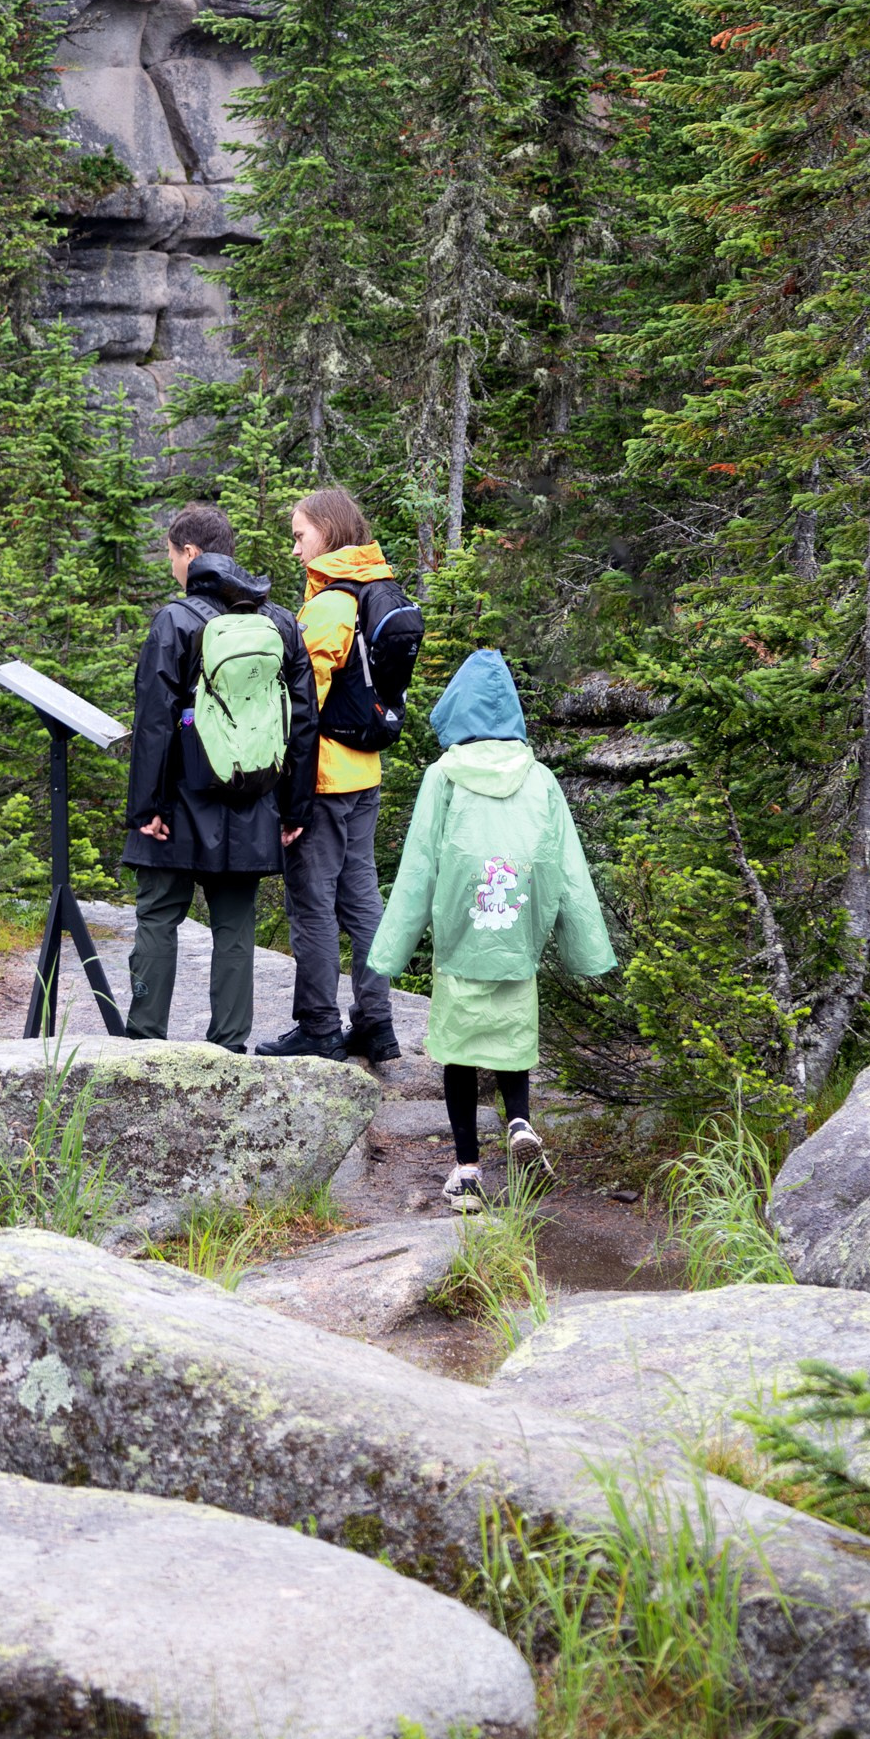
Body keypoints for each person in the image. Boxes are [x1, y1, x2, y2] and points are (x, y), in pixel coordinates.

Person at [366, 646, 616, 1211]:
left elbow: (419, 866)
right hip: (518, 935)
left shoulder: (443, 776)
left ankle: (468, 1173)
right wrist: (585, 949)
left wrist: (388, 954)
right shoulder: (542, 778)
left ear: (456, 711)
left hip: (462, 936)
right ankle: (521, 1124)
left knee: (458, 1053)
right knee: (511, 1041)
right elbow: (568, 869)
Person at [120, 501, 319, 1053]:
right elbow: (303, 723)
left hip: (179, 803)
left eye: (171, 555)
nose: (171, 567)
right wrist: (294, 809)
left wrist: (146, 809)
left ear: (190, 553)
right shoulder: (279, 622)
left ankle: (145, 1043)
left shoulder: (176, 620)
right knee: (236, 927)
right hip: (254, 803)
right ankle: (229, 1046)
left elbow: (154, 721)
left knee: (158, 916)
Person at [258, 484, 403, 1067]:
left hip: (323, 782)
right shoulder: (375, 588)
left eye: (300, 535)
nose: (295, 550)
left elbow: (300, 712)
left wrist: (288, 800)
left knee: (312, 904)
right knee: (363, 901)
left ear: (329, 531)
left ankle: (319, 1026)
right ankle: (377, 1024)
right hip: (364, 772)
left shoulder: (329, 606)